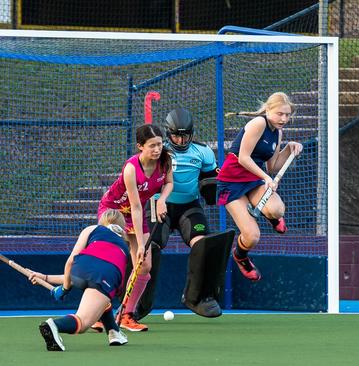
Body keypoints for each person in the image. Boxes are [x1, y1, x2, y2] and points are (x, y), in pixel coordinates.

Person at [130, 108, 231, 321]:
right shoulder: (159, 151)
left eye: (185, 135)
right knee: (151, 249)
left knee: (203, 244)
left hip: (189, 207)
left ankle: (195, 298)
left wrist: (212, 186)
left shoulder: (203, 152)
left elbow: (210, 180)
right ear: (168, 134)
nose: (181, 139)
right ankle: (141, 303)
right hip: (160, 205)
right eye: (176, 135)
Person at [217, 92, 303, 282]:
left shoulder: (277, 132)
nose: (284, 119)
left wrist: (289, 148)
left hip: (253, 180)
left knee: (277, 209)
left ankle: (271, 217)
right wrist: (266, 178)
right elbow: (243, 157)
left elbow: (273, 165)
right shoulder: (259, 123)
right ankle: (240, 256)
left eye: (288, 115)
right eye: (280, 114)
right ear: (268, 109)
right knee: (252, 237)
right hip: (232, 180)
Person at [97, 124, 173, 331]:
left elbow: (168, 183)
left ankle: (125, 315)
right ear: (140, 146)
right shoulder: (131, 169)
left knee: (145, 266)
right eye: (152, 146)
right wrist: (140, 244)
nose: (158, 149)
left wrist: (162, 199)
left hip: (136, 213)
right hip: (114, 212)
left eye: (160, 144)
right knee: (112, 261)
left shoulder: (165, 160)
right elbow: (137, 207)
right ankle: (98, 312)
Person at [30, 209, 130, 351]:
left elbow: (71, 263)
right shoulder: (125, 247)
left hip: (80, 268)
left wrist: (48, 279)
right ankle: (54, 325)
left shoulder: (92, 229)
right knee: (83, 322)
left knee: (102, 300)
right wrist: (64, 288)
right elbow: (116, 288)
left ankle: (114, 332)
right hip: (105, 276)